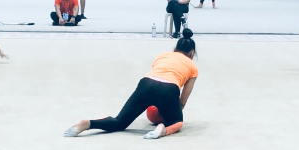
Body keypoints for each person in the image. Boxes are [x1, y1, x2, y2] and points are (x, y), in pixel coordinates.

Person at [64, 28, 198, 140]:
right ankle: (162, 129)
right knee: (176, 122)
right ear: (192, 53)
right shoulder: (193, 67)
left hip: (146, 83)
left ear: (175, 48)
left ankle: (88, 124)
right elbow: (183, 100)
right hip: (169, 88)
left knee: (119, 122)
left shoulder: (162, 55)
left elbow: (157, 77)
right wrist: (172, 114)